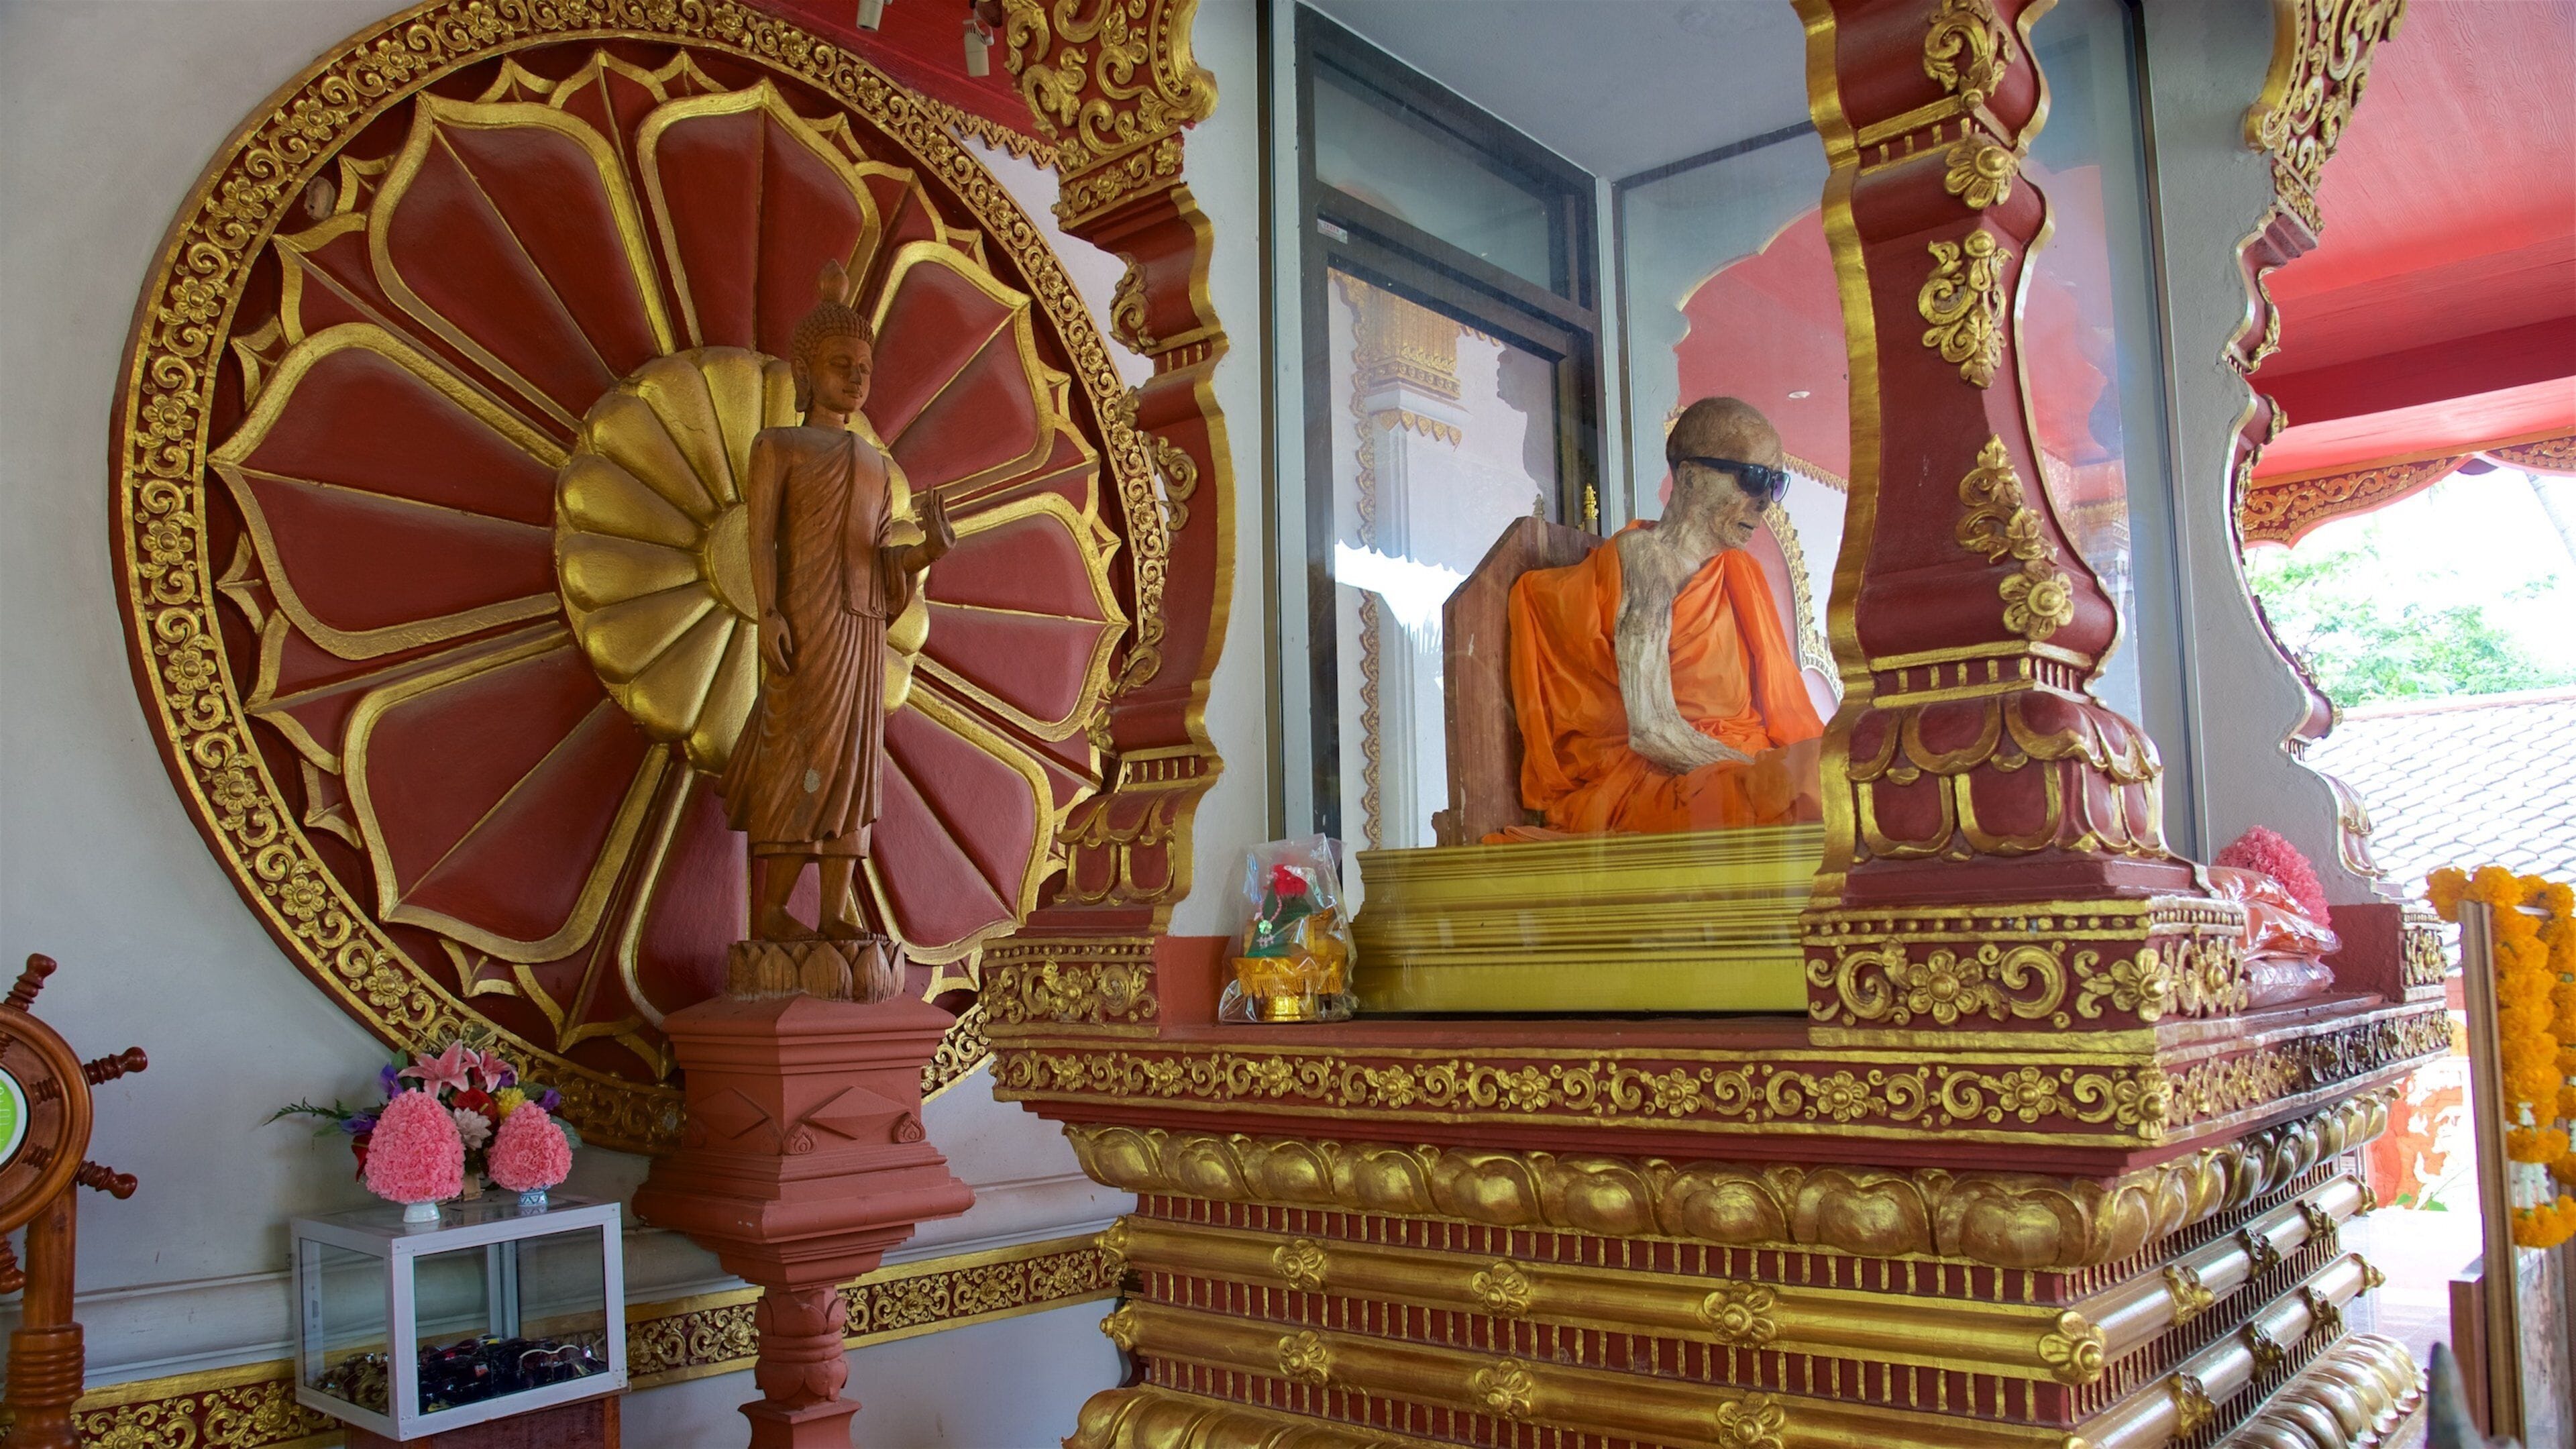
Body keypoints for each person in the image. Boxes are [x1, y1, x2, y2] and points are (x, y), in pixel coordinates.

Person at [723, 260, 953, 941]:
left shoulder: (880, 469)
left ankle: (832, 912)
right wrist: (767, 614)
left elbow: (883, 561)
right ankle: (773, 912)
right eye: (839, 363)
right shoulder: (779, 448)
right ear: (806, 369)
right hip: (802, 618)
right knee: (798, 755)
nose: (855, 378)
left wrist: (927, 552)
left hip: (859, 630)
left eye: (864, 367)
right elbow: (760, 540)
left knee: (855, 764)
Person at [1506, 396, 1823, 835]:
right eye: (1752, 478)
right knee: (1772, 797)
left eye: (1775, 483)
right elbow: (1652, 731)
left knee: (1851, 774)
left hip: (1738, 767)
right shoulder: (1647, 560)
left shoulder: (1741, 574)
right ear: (1691, 476)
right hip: (1664, 778)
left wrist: (1778, 773)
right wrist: (1763, 775)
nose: (1764, 502)